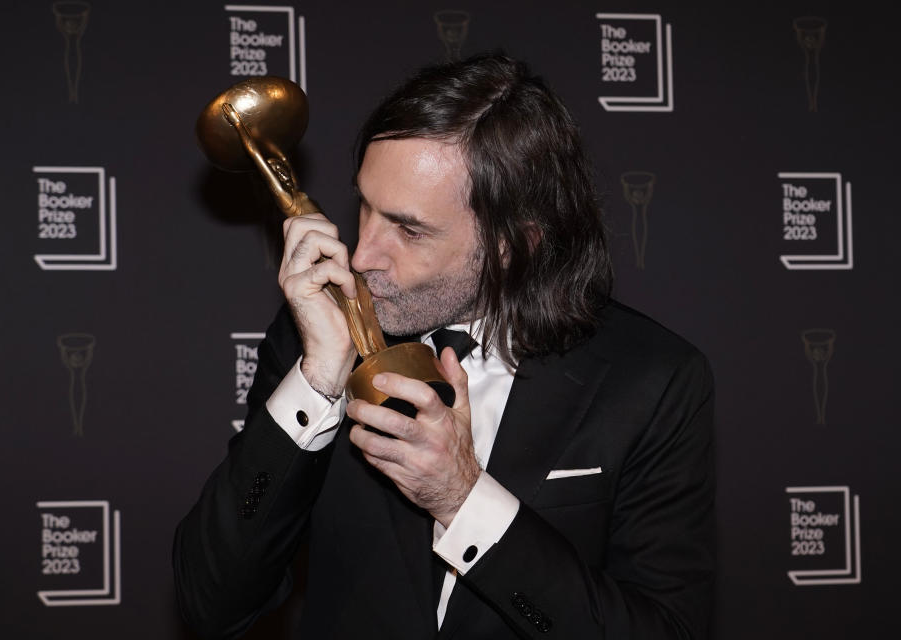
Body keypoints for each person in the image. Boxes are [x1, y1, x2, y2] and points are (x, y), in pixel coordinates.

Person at [173, 53, 715, 639]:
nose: (362, 257)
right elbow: (212, 603)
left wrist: (463, 499)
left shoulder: (652, 378)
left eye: (408, 230)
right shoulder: (313, 335)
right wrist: (318, 379)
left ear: (515, 244)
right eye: (365, 207)